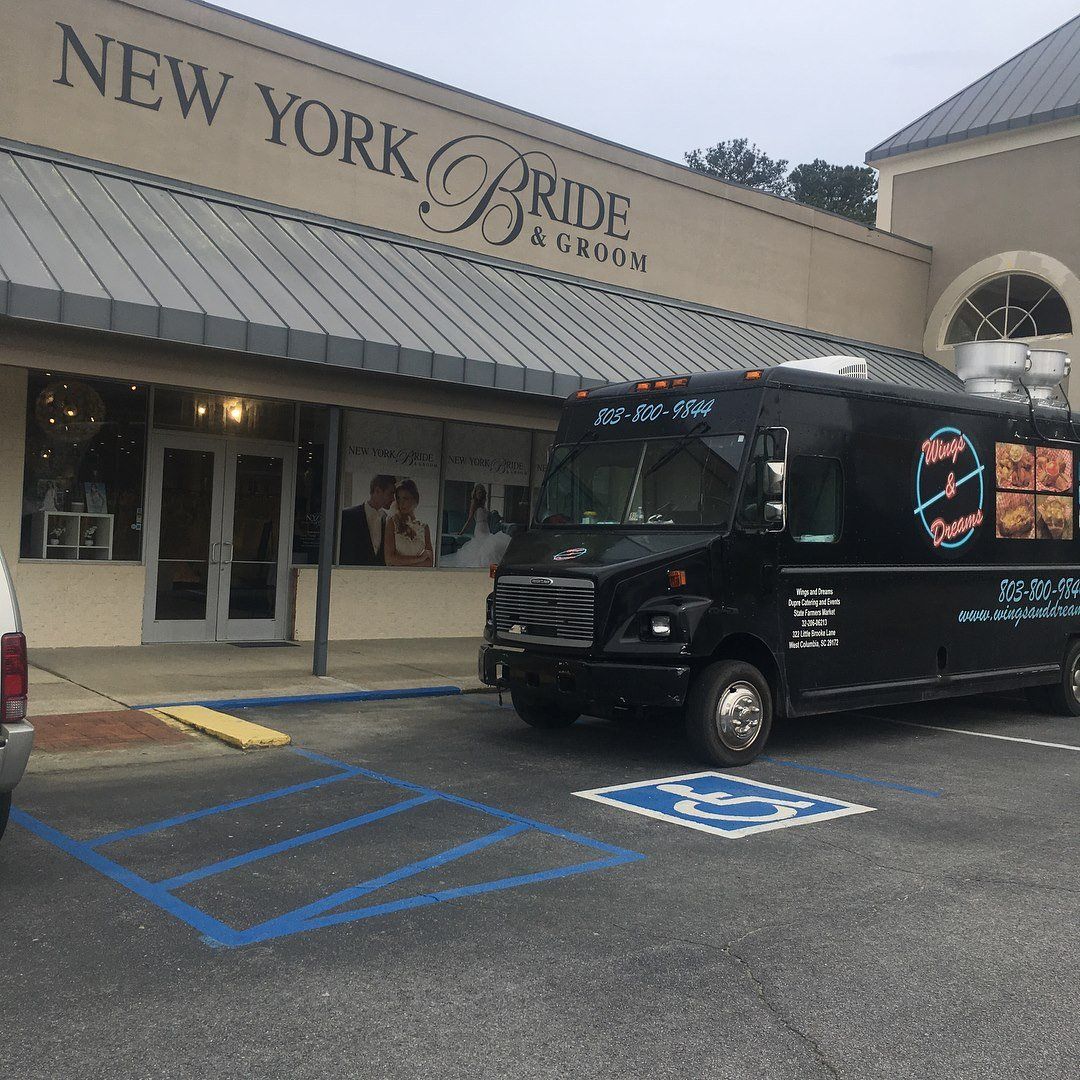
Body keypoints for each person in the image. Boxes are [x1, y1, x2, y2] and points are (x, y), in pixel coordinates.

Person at [441, 483, 512, 567]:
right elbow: (469, 519)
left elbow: (487, 517)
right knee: (484, 544)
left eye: (481, 492)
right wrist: (461, 532)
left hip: (486, 528)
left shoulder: (483, 505)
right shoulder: (474, 503)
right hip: (479, 529)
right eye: (478, 493)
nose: (480, 494)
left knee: (493, 542)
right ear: (475, 494)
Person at [339, 474, 395, 565]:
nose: (393, 499)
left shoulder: (387, 519)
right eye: (390, 494)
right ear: (377, 491)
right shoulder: (347, 515)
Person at [384, 478, 434, 567]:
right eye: (398, 498)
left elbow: (430, 562)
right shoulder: (392, 522)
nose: (401, 503)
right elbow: (389, 559)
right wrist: (420, 559)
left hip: (419, 577)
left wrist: (402, 564)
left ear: (415, 499)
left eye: (405, 498)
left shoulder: (424, 527)